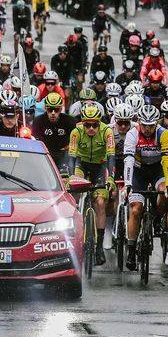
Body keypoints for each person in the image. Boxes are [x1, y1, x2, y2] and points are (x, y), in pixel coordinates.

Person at [123, 104, 168, 270]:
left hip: (157, 169)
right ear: (139, 122)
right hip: (138, 171)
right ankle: (131, 250)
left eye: (151, 125)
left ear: (156, 123)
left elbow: (167, 159)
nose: (147, 129)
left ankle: (158, 217)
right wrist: (128, 184)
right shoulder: (132, 134)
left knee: (165, 194)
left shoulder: (163, 133)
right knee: (136, 210)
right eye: (144, 125)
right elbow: (129, 160)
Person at [66, 103, 116, 266]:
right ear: (82, 122)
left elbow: (111, 157)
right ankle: (71, 230)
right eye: (87, 124)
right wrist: (72, 178)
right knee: (74, 194)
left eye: (95, 125)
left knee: (100, 202)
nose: (91, 128)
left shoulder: (107, 132)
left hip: (100, 166)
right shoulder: (76, 132)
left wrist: (111, 178)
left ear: (100, 122)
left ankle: (99, 247)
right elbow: (72, 157)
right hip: (82, 164)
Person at [32, 92, 77, 169]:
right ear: (45, 108)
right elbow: (35, 142)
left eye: (56, 110)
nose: (53, 113)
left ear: (60, 109)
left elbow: (75, 140)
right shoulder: (38, 121)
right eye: (50, 109)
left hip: (64, 153)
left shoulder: (70, 121)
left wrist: (68, 147)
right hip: (45, 154)